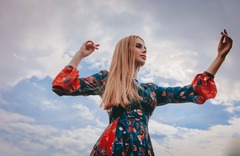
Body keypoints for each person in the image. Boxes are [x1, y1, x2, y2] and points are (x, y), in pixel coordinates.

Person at [52, 29, 233, 155]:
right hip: (115, 142)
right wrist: (79, 55)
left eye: (145, 47)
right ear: (125, 51)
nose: (144, 50)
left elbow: (192, 91)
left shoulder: (150, 90)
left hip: (142, 146)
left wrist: (220, 57)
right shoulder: (108, 79)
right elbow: (63, 86)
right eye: (138, 46)